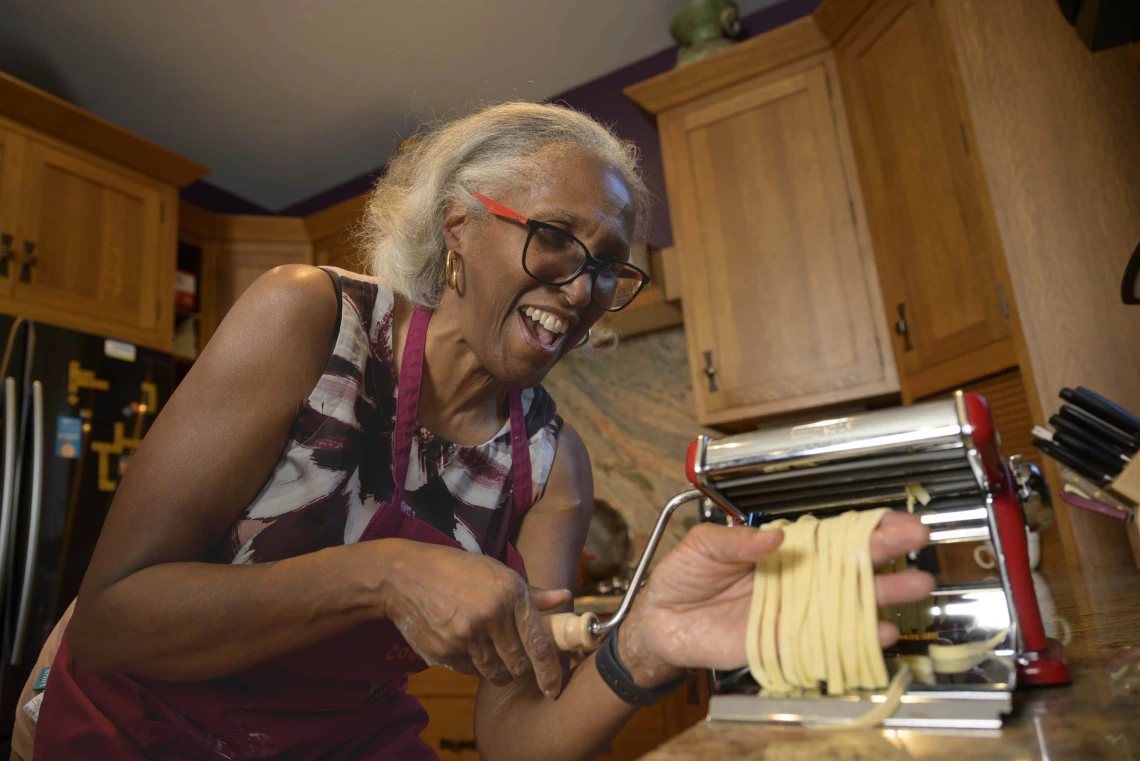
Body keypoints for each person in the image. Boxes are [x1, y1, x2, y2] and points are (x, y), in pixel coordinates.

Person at [29, 102, 934, 760]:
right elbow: (113, 622)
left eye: (609, 266)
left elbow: (513, 732)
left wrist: (641, 649)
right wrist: (380, 572)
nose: (581, 291)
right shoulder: (310, 322)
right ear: (459, 227)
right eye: (556, 240)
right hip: (137, 728)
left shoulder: (550, 465)